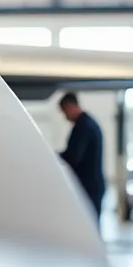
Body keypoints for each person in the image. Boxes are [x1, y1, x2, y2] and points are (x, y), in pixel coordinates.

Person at [57, 92, 105, 227]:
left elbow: (73, 157)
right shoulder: (88, 123)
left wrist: (53, 157)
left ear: (70, 106)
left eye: (64, 111)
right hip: (91, 185)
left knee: (88, 226)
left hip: (88, 186)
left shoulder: (83, 127)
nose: (64, 116)